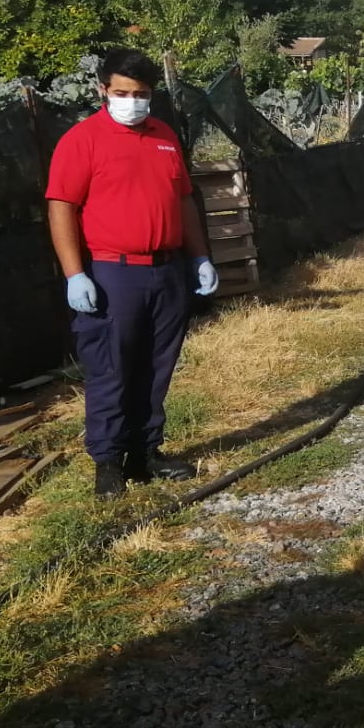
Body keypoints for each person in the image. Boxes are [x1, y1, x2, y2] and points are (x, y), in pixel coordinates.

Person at [46, 48, 220, 497]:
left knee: (157, 365)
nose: (131, 101)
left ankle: (146, 452)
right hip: (112, 273)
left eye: (140, 94)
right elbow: (61, 205)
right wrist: (74, 274)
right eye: (121, 92)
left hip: (166, 271)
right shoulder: (82, 140)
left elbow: (183, 201)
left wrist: (199, 257)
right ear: (103, 90)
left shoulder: (164, 136)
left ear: (152, 94)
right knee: (111, 368)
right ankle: (107, 461)